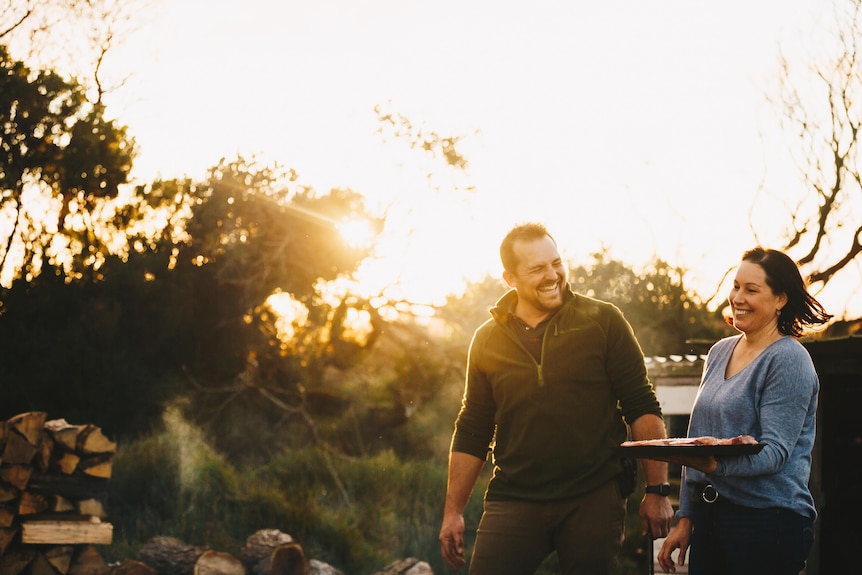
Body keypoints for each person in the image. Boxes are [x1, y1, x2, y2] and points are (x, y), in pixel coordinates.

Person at [438, 222, 674, 574]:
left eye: (556, 262)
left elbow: (642, 405)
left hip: (593, 494)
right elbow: (473, 426)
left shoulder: (604, 321)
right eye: (537, 269)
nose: (553, 275)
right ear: (510, 279)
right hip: (514, 496)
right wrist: (453, 512)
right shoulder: (487, 340)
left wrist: (657, 489)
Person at [656, 247, 832, 575]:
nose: (738, 297)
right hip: (712, 518)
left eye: (751, 290)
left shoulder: (788, 360)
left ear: (780, 299)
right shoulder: (720, 352)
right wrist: (686, 517)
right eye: (736, 286)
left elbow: (775, 453)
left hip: (769, 522)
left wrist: (715, 465)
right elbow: (696, 442)